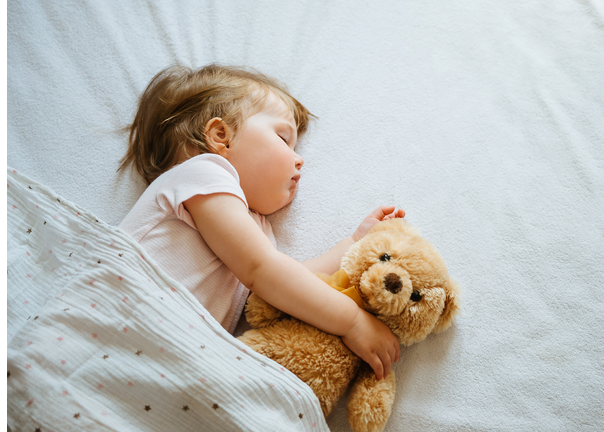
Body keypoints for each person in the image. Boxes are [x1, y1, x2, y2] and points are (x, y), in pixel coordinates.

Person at [118, 64, 405, 380]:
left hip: (164, 364)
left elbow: (281, 288)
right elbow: (263, 272)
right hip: (123, 323)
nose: (299, 159)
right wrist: (352, 321)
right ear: (220, 137)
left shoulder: (255, 231)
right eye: (284, 139)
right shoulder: (202, 175)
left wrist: (351, 246)